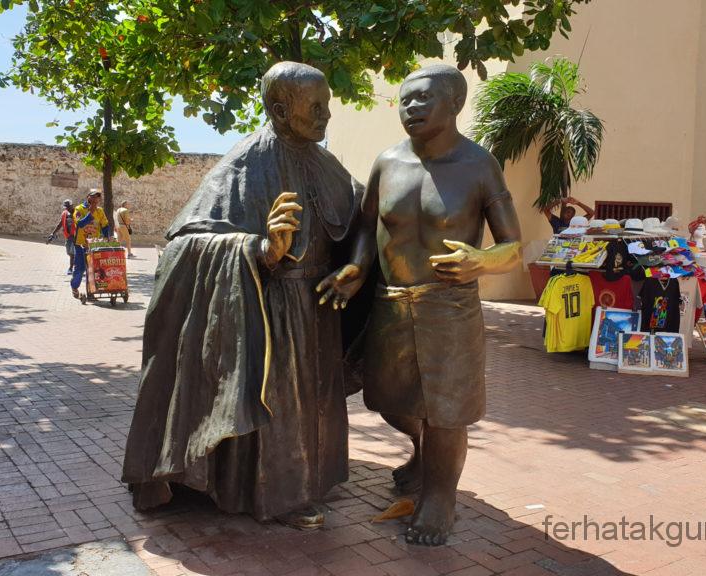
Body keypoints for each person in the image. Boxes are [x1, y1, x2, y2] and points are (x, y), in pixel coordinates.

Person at [122, 62, 360, 530]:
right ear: (279, 109)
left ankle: (311, 478)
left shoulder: (325, 161)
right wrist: (261, 249)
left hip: (317, 307)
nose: (326, 115)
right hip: (267, 309)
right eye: (315, 107)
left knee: (312, 404)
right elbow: (185, 246)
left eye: (327, 105)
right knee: (279, 405)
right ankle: (279, 495)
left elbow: (363, 214)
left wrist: (358, 266)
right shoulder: (245, 162)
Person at [316, 65, 522, 546]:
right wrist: (358, 268)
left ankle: (440, 498)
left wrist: (483, 259)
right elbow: (367, 226)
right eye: (405, 100)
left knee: (446, 410)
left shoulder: (478, 165)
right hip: (392, 304)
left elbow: (513, 243)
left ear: (454, 104)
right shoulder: (387, 162)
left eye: (423, 99)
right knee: (388, 399)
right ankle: (422, 453)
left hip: (449, 308)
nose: (411, 108)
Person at [70, 190, 111, 299]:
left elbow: (105, 225)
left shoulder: (100, 211)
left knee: (94, 269)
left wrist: (107, 237)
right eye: (93, 197)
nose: (95, 199)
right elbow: (80, 223)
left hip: (94, 245)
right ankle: (74, 286)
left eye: (98, 197)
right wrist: (90, 213)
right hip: (80, 244)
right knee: (80, 268)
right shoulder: (79, 209)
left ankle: (91, 291)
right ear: (88, 197)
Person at [47, 199, 77, 274]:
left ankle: (71, 268)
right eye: (66, 207)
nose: (67, 208)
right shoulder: (64, 213)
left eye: (68, 207)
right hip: (69, 236)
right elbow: (60, 224)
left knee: (73, 253)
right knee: (69, 252)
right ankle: (74, 267)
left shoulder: (77, 213)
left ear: (72, 205)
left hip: (77, 236)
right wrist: (52, 233)